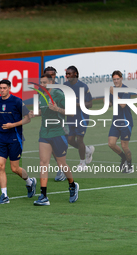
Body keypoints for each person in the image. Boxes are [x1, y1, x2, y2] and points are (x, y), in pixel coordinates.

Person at [0, 79, 36, 204]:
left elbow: (27, 119)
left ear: (9, 88)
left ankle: (30, 182)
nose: (2, 90)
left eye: (4, 88)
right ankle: (4, 195)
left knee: (14, 168)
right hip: (1, 138)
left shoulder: (17, 101)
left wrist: (13, 125)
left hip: (15, 138)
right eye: (0, 88)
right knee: (0, 166)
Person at [30, 74, 79, 205]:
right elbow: (41, 111)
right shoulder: (40, 95)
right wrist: (34, 113)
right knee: (43, 163)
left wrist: (57, 108)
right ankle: (43, 196)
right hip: (45, 133)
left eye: (45, 82)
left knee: (61, 164)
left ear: (51, 82)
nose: (42, 85)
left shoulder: (59, 94)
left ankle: (72, 185)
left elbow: (72, 112)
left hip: (59, 132)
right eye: (41, 82)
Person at [64, 66, 95, 171]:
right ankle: (87, 150)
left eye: (69, 73)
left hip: (82, 117)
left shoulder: (83, 86)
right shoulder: (65, 86)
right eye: (67, 74)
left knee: (79, 139)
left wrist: (77, 104)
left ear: (76, 74)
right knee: (70, 140)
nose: (67, 76)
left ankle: (82, 163)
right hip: (70, 117)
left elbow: (90, 104)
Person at [44, 66, 67, 182]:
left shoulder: (59, 89)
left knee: (58, 147)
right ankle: (61, 167)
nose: (50, 77)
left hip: (59, 121)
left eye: (52, 75)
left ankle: (62, 169)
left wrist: (57, 109)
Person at [108, 71, 134, 173]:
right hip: (116, 121)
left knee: (124, 146)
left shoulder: (126, 90)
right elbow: (111, 103)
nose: (116, 81)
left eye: (117, 79)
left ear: (121, 78)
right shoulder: (112, 90)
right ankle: (123, 158)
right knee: (111, 144)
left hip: (126, 122)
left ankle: (130, 165)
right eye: (114, 79)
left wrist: (113, 93)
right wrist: (107, 102)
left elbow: (123, 104)